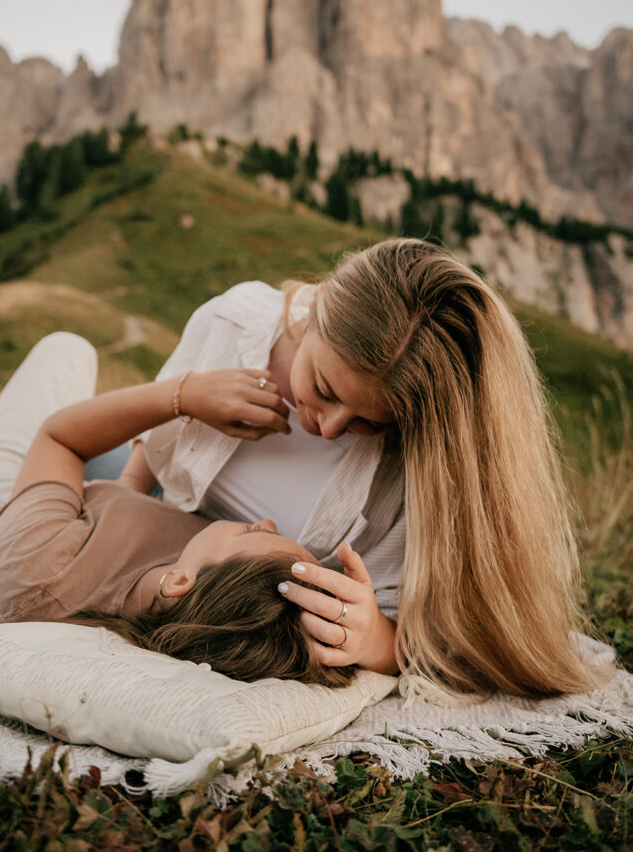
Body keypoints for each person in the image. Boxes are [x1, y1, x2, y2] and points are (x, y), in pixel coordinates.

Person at [121, 238, 609, 698]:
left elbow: (430, 624)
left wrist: (381, 642)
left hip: (192, 569)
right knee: (62, 373)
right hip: (138, 508)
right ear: (318, 310)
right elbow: (150, 447)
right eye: (325, 389)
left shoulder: (413, 473)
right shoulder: (232, 325)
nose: (330, 428)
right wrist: (175, 411)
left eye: (368, 421)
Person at [0, 332, 355, 686]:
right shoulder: (218, 607)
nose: (264, 522)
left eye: (255, 533)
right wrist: (128, 489)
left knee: (66, 350)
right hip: (99, 509)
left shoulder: (37, 575)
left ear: (179, 581)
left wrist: (183, 395)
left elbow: (60, 439)